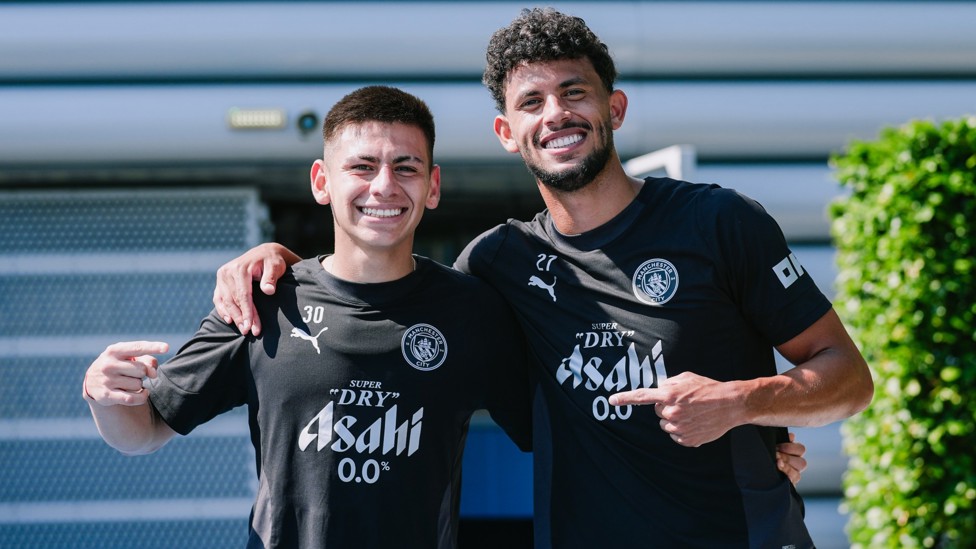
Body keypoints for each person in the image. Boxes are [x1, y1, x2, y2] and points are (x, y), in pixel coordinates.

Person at [214, 8, 873, 547]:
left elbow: (849, 378)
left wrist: (745, 402)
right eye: (532, 101)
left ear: (614, 107)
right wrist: (280, 262)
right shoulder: (498, 262)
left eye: (574, 92)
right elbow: (380, 294)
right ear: (508, 131)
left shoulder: (719, 222)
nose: (555, 112)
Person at [82, 85, 533, 549]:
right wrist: (105, 397)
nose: (384, 186)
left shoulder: (472, 312)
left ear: (432, 186)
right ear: (321, 181)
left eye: (406, 167)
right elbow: (145, 431)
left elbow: (555, 434)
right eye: (362, 166)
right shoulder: (263, 300)